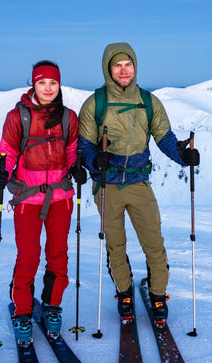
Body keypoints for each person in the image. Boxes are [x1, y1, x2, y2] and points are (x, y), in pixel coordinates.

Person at [77, 42, 199, 322]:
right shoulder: (95, 103)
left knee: (154, 243)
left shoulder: (148, 101)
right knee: (115, 245)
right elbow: (83, 146)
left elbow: (165, 139)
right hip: (106, 185)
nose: (123, 70)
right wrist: (95, 160)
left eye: (128, 64)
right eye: (117, 65)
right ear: (108, 68)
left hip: (139, 183)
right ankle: (124, 294)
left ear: (135, 67)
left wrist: (184, 155)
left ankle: (158, 296)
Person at [0, 60, 87, 345]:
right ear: (34, 84)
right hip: (27, 198)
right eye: (43, 82)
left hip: (60, 197)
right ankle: (22, 311)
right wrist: (1, 171)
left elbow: (71, 149)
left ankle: (52, 307)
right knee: (29, 256)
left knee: (58, 254)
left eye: (53, 83)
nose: (48, 88)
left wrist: (75, 167)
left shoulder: (68, 116)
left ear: (59, 86)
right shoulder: (17, 116)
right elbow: (6, 150)